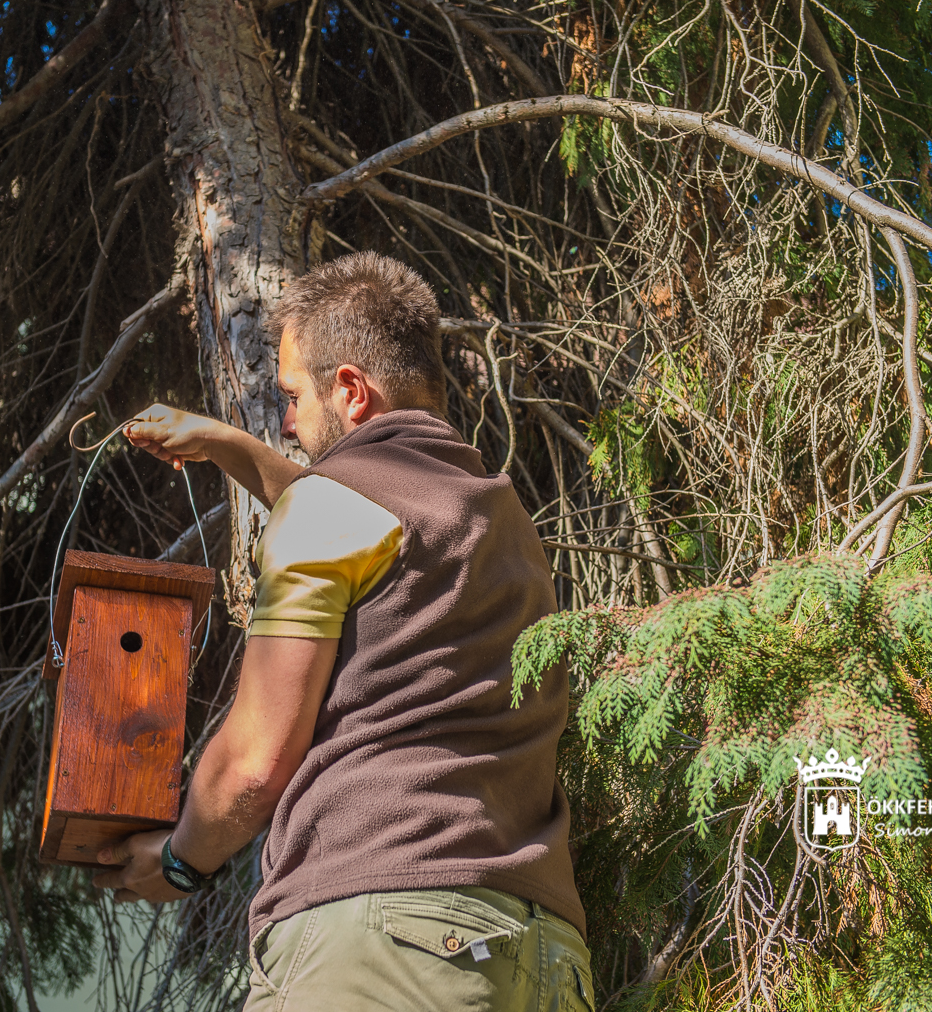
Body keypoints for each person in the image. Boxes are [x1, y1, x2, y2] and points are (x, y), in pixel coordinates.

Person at [94, 252, 592, 1011]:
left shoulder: (330, 511)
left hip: (385, 942)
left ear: (352, 391)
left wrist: (179, 863)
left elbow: (255, 764)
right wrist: (235, 448)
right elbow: (367, 521)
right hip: (545, 955)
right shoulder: (499, 517)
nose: (288, 421)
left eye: (293, 396)